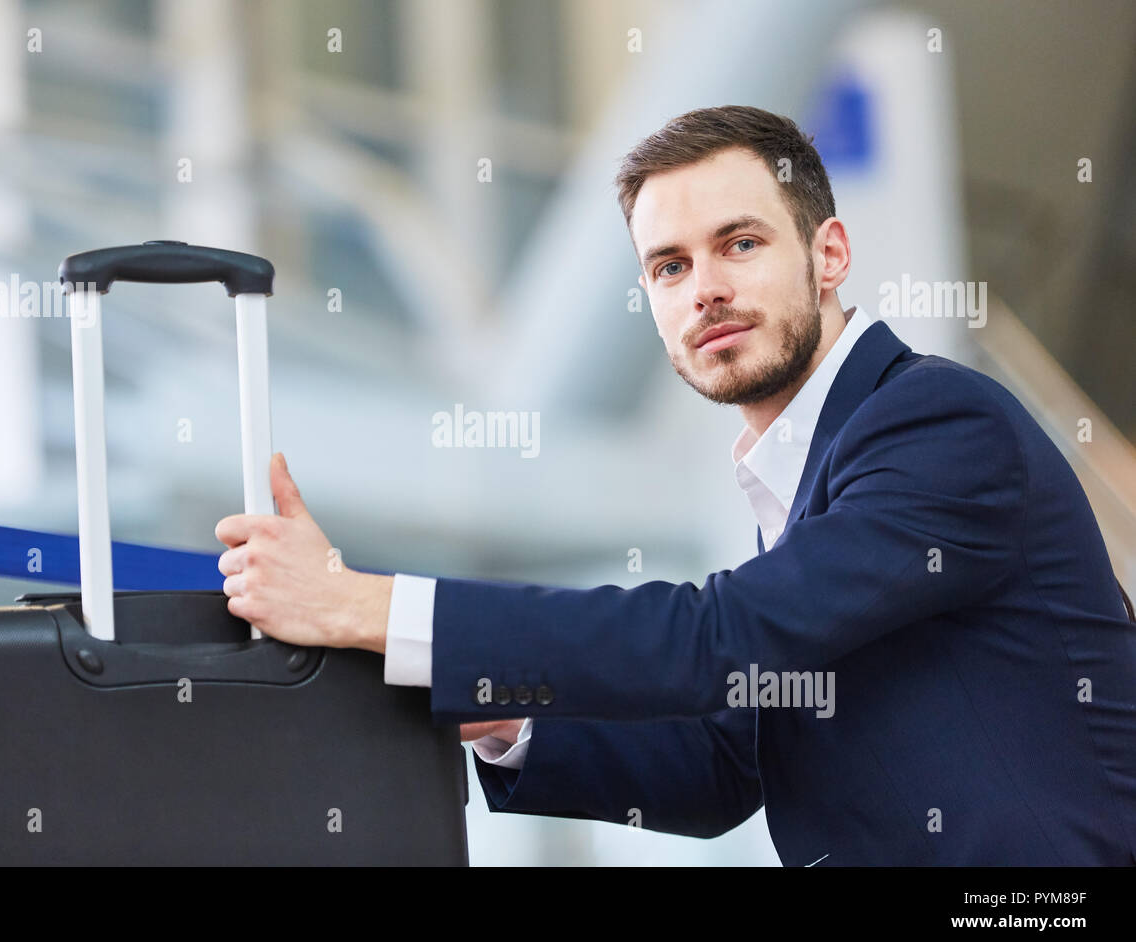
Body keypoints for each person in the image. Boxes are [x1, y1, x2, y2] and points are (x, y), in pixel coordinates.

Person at [213, 106, 1136, 865]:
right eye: (670, 266)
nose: (705, 290)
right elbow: (723, 763)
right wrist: (505, 715)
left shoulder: (938, 425)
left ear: (829, 255)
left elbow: (716, 639)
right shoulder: (808, 480)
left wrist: (365, 606)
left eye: (739, 243)